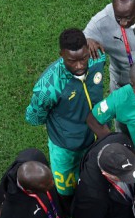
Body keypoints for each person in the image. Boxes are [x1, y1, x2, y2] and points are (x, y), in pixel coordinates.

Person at [25, 28, 109, 199]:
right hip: (66, 146)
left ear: (88, 49)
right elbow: (33, 117)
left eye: (83, 58)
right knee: (66, 191)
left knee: (97, 178)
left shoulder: (97, 58)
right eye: (72, 61)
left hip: (98, 135)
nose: (79, 66)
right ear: (61, 55)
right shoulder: (48, 87)